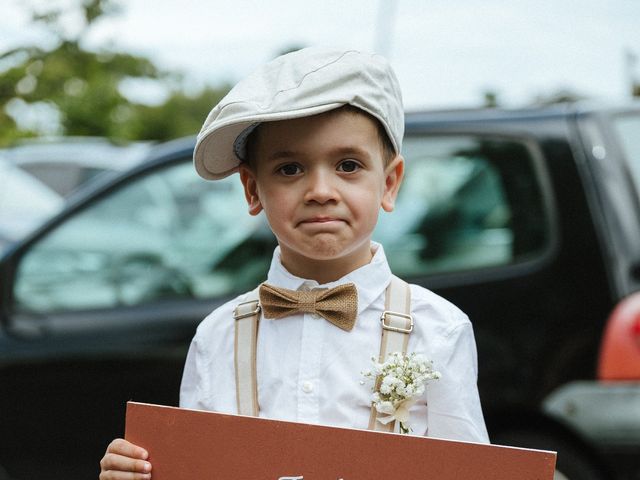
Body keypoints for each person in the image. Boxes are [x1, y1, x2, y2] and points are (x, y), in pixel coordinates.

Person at [99, 47, 489, 480]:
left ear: (390, 182)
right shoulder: (218, 336)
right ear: (251, 190)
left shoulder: (439, 328)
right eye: (289, 169)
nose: (321, 190)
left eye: (348, 165)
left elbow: (468, 469)